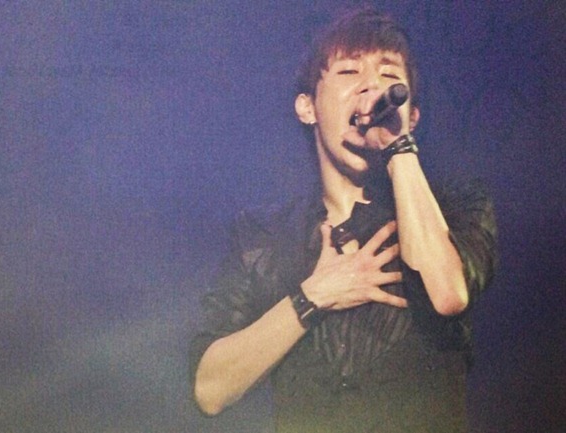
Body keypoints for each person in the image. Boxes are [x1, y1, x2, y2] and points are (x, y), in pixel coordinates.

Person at [189, 8, 497, 433]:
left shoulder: (457, 206)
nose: (372, 86)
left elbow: (448, 295)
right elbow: (210, 390)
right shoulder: (263, 235)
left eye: (389, 75)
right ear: (307, 107)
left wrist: (398, 147)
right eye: (350, 71)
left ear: (412, 115)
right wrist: (313, 295)